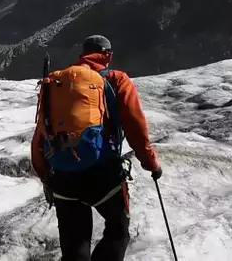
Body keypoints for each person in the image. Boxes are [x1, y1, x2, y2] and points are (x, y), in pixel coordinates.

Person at [31, 35, 162, 261]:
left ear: (83, 54)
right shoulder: (116, 79)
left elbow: (41, 132)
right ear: (108, 55)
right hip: (104, 175)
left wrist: (46, 175)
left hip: (63, 176)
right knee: (117, 233)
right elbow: (135, 126)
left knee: (74, 247)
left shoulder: (55, 82)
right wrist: (151, 163)